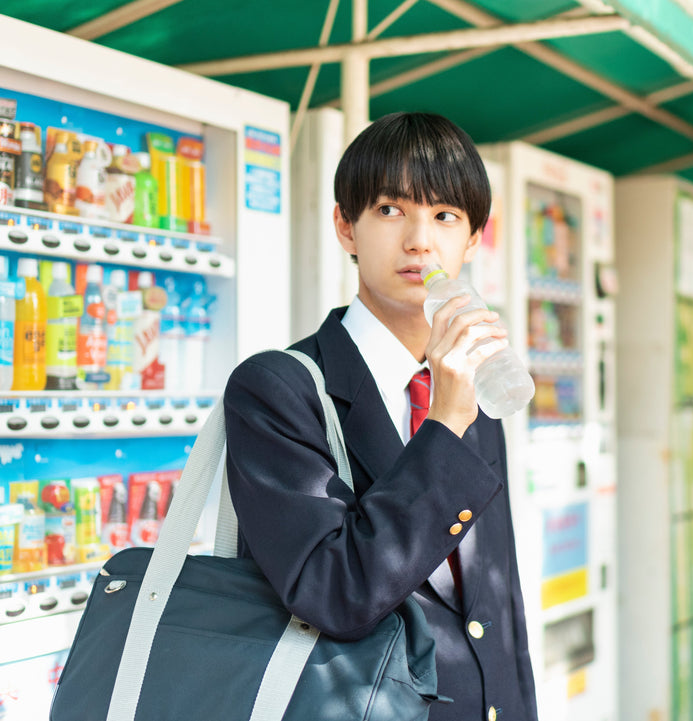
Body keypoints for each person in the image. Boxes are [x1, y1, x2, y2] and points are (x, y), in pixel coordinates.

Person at [224, 112, 537, 721]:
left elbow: (497, 594)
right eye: (391, 210)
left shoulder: (471, 378)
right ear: (346, 227)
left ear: (472, 240)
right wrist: (443, 426)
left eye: (445, 216)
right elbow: (333, 591)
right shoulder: (278, 389)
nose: (420, 240)